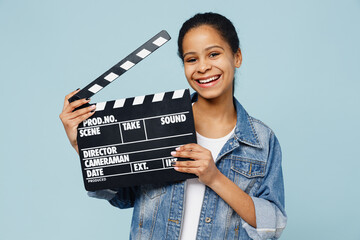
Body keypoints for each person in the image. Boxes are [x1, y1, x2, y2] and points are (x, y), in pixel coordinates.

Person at [60, 12, 287, 240]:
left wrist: (214, 178)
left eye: (214, 54)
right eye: (191, 59)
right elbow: (124, 196)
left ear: (236, 57)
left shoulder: (261, 140)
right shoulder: (156, 124)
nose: (203, 67)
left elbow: (272, 225)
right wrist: (84, 146)